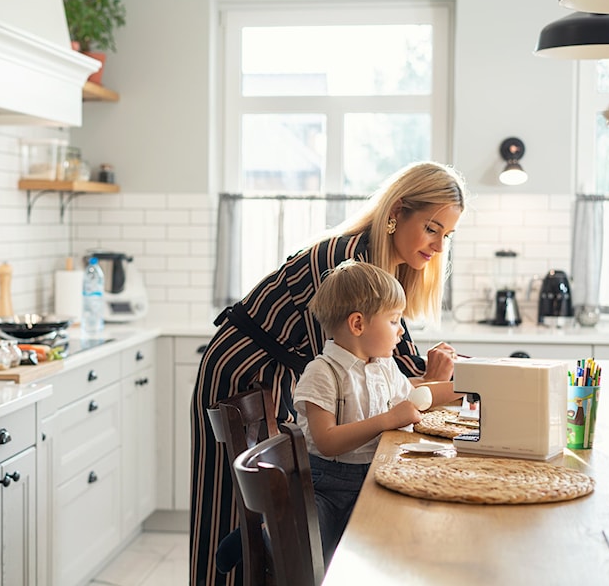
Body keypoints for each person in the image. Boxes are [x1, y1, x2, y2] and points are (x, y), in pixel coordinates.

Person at [190, 161, 466, 586]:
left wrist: (446, 379)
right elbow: (373, 361)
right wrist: (437, 380)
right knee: (237, 511)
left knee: (276, 525)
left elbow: (394, 365)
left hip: (283, 375)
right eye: (432, 228)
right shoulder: (347, 263)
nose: (439, 246)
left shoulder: (381, 267)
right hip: (243, 371)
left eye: (446, 235)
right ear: (396, 212)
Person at [293, 260, 430, 566]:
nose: (399, 332)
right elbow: (326, 441)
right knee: (315, 549)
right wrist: (388, 419)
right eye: (394, 321)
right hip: (326, 486)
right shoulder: (322, 372)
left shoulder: (383, 367)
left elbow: (415, 397)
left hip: (372, 477)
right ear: (358, 324)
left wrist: (464, 385)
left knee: (389, 539)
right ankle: (267, 536)